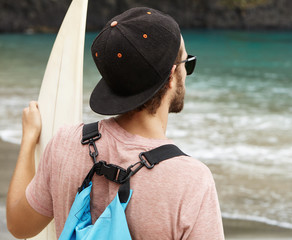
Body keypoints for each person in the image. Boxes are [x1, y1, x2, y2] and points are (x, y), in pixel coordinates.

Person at [7, 7, 224, 239]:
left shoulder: (66, 144)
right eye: (187, 63)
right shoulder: (190, 180)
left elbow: (19, 226)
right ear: (171, 76)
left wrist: (29, 140)